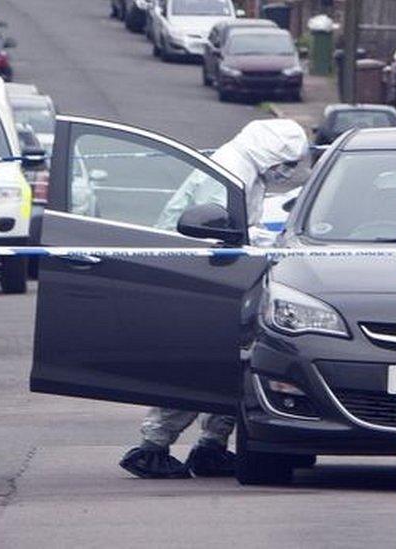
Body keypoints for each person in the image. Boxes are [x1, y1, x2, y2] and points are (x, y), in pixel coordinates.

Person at [120, 119, 309, 479]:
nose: (284, 171)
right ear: (271, 152)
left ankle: (211, 444)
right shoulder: (230, 170)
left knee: (230, 365)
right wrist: (259, 239)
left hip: (220, 277)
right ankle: (151, 448)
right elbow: (215, 229)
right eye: (284, 162)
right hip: (198, 278)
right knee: (198, 366)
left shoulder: (246, 171)